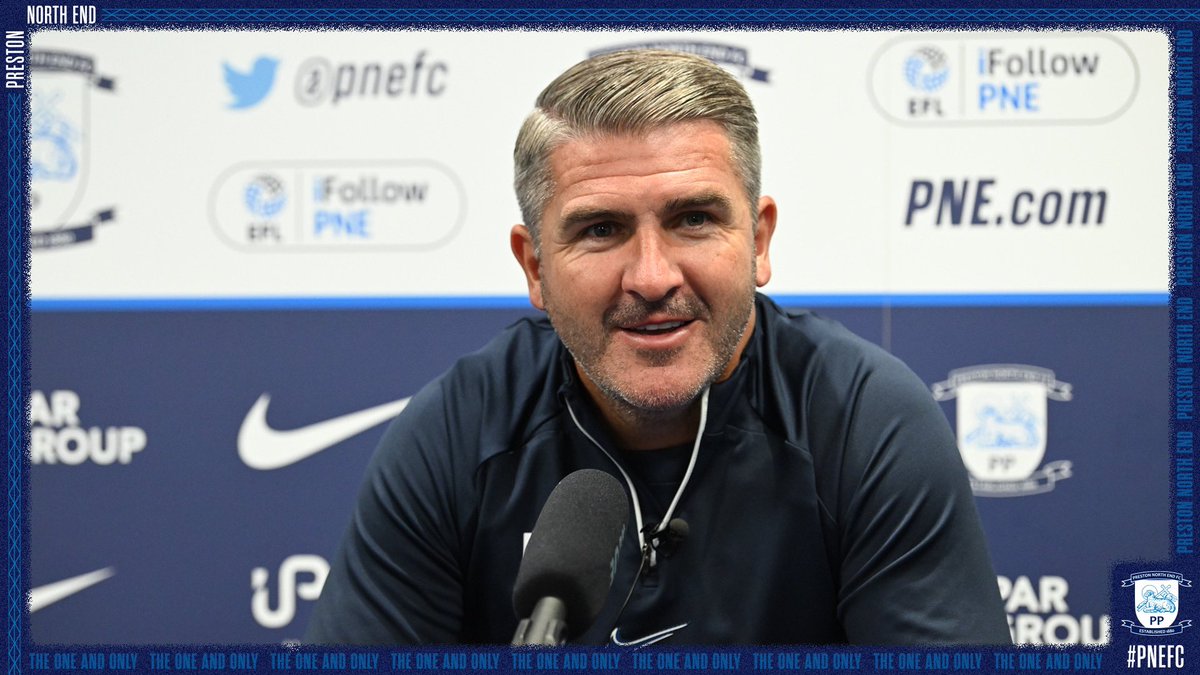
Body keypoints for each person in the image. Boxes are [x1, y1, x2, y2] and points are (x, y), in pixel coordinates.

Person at [305, 49, 1011, 645]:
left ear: (759, 242)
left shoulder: (864, 422)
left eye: (694, 219)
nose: (651, 277)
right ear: (535, 267)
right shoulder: (458, 434)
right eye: (601, 230)